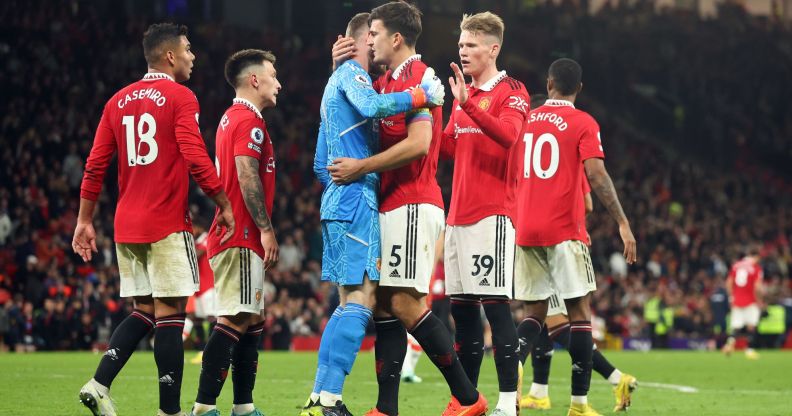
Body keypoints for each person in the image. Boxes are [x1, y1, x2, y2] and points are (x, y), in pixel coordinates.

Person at [328, 3, 487, 415]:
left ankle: (468, 398)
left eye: (375, 34)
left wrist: (361, 168)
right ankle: (386, 408)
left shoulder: (420, 77)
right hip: (391, 205)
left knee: (402, 302)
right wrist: (338, 68)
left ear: (396, 38)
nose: (369, 41)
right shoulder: (386, 82)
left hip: (413, 203)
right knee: (383, 304)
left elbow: (418, 144)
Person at [74, 23, 235, 416]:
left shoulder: (117, 101)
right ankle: (169, 411)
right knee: (170, 315)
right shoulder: (181, 97)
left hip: (125, 224)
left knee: (145, 310)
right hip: (165, 221)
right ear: (170, 56)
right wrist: (223, 202)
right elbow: (196, 155)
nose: (193, 56)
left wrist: (84, 220)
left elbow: (96, 165)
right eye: (188, 49)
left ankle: (98, 384)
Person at [302, 11, 445, 416]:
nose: (378, 42)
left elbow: (318, 163)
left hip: (335, 198)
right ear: (364, 39)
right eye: (375, 35)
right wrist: (421, 95)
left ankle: (319, 397)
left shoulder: (334, 83)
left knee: (347, 302)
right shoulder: (355, 77)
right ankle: (329, 401)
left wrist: (340, 181)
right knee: (362, 300)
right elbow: (371, 104)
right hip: (355, 199)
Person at [512, 58, 637, 416]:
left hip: (525, 229)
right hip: (563, 229)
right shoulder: (582, 122)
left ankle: (516, 371)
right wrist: (623, 222)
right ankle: (580, 404)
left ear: (549, 82)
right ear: (578, 89)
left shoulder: (523, 121)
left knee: (534, 313)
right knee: (579, 314)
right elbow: (596, 177)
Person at [440, 12, 529, 416]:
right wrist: (428, 113)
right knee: (462, 312)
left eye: (471, 45)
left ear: (492, 48)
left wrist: (468, 107)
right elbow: (445, 151)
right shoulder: (463, 98)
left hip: (492, 215)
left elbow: (509, 136)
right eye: (461, 45)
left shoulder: (512, 91)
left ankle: (508, 402)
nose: (463, 51)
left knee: (496, 306)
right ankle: (467, 399)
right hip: (457, 216)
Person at [188, 49, 282, 416]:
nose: (279, 83)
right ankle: (203, 407)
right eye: (273, 75)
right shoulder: (248, 121)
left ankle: (243, 406)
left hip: (236, 235)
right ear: (254, 79)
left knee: (253, 319)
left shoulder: (231, 118)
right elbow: (246, 176)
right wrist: (265, 230)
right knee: (235, 318)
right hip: (241, 234)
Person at [722, 247, 764, 359]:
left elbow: (729, 282)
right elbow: (757, 287)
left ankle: (729, 343)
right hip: (750, 300)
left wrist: (731, 297)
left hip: (736, 300)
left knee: (736, 326)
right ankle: (749, 350)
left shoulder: (736, 265)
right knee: (751, 325)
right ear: (756, 257)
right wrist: (759, 300)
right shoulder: (756, 268)